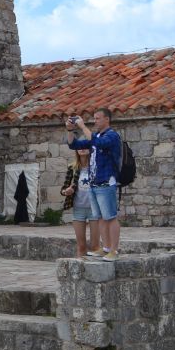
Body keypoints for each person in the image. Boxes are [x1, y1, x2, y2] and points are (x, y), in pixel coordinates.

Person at [67, 108, 122, 261]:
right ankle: (105, 249)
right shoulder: (95, 135)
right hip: (94, 183)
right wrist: (70, 130)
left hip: (106, 181)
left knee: (110, 217)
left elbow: (99, 143)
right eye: (95, 118)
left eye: (98, 118)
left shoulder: (112, 136)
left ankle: (114, 250)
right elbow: (74, 145)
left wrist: (83, 127)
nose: (95, 121)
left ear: (107, 120)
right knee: (100, 218)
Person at [60, 146, 102, 257]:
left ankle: (94, 271)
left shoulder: (96, 167)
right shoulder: (72, 168)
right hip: (78, 209)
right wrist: (66, 191)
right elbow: (63, 190)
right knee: (81, 246)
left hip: (94, 209)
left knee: (95, 246)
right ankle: (80, 272)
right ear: (76, 150)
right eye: (79, 147)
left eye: (85, 146)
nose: (82, 149)